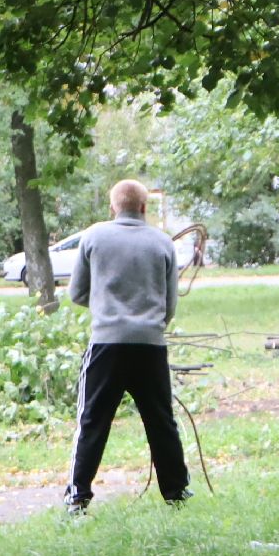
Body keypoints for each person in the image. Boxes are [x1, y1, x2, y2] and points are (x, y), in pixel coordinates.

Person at [64, 179, 190, 514]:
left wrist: (106, 304)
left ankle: (77, 496)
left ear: (113, 206)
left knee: (92, 420)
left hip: (107, 343)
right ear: (144, 207)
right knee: (161, 421)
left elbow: (76, 293)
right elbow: (170, 305)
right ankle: (176, 493)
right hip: (150, 345)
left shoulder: (94, 237)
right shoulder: (163, 243)